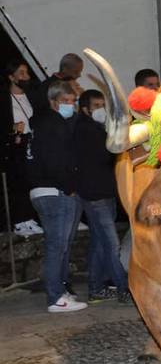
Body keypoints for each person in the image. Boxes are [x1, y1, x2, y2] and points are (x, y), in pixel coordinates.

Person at [27, 80, 86, 312]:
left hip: (46, 189)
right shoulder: (53, 124)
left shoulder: (42, 123)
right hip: (54, 191)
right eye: (65, 101)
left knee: (60, 246)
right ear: (53, 102)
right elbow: (56, 161)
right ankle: (55, 297)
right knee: (56, 245)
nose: (70, 105)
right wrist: (68, 186)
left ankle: (60, 292)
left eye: (73, 101)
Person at [75, 89, 130, 302]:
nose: (101, 110)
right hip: (95, 195)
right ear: (86, 109)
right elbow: (107, 154)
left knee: (100, 243)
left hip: (105, 193)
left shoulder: (97, 128)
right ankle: (124, 288)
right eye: (96, 106)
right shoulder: (85, 130)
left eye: (103, 106)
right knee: (111, 244)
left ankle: (96, 287)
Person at [0, 59, 43, 236]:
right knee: (19, 182)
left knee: (34, 181)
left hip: (34, 143)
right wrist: (12, 129)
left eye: (27, 73)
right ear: (12, 77)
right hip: (15, 147)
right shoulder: (4, 99)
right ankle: (21, 221)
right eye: (22, 73)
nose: (26, 77)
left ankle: (31, 218)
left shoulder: (32, 95)